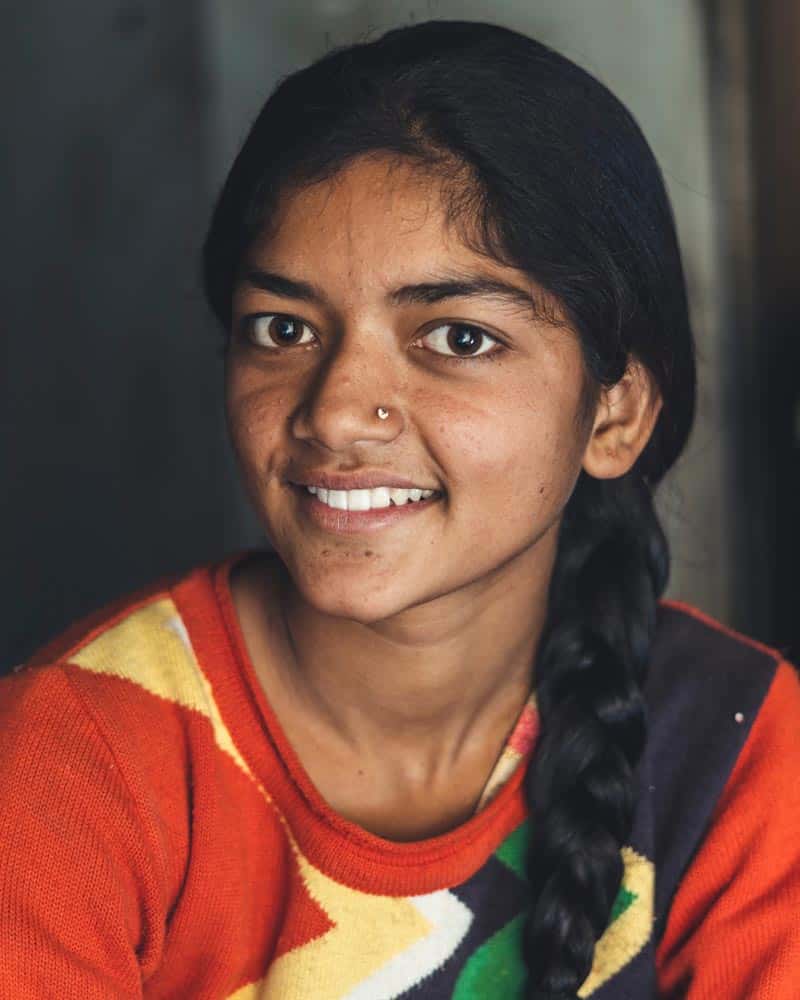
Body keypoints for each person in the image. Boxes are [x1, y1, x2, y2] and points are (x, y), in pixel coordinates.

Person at [1, 19, 798, 1000]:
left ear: (613, 411)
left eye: (456, 338)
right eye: (282, 328)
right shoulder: (79, 759)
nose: (336, 410)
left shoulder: (736, 751)